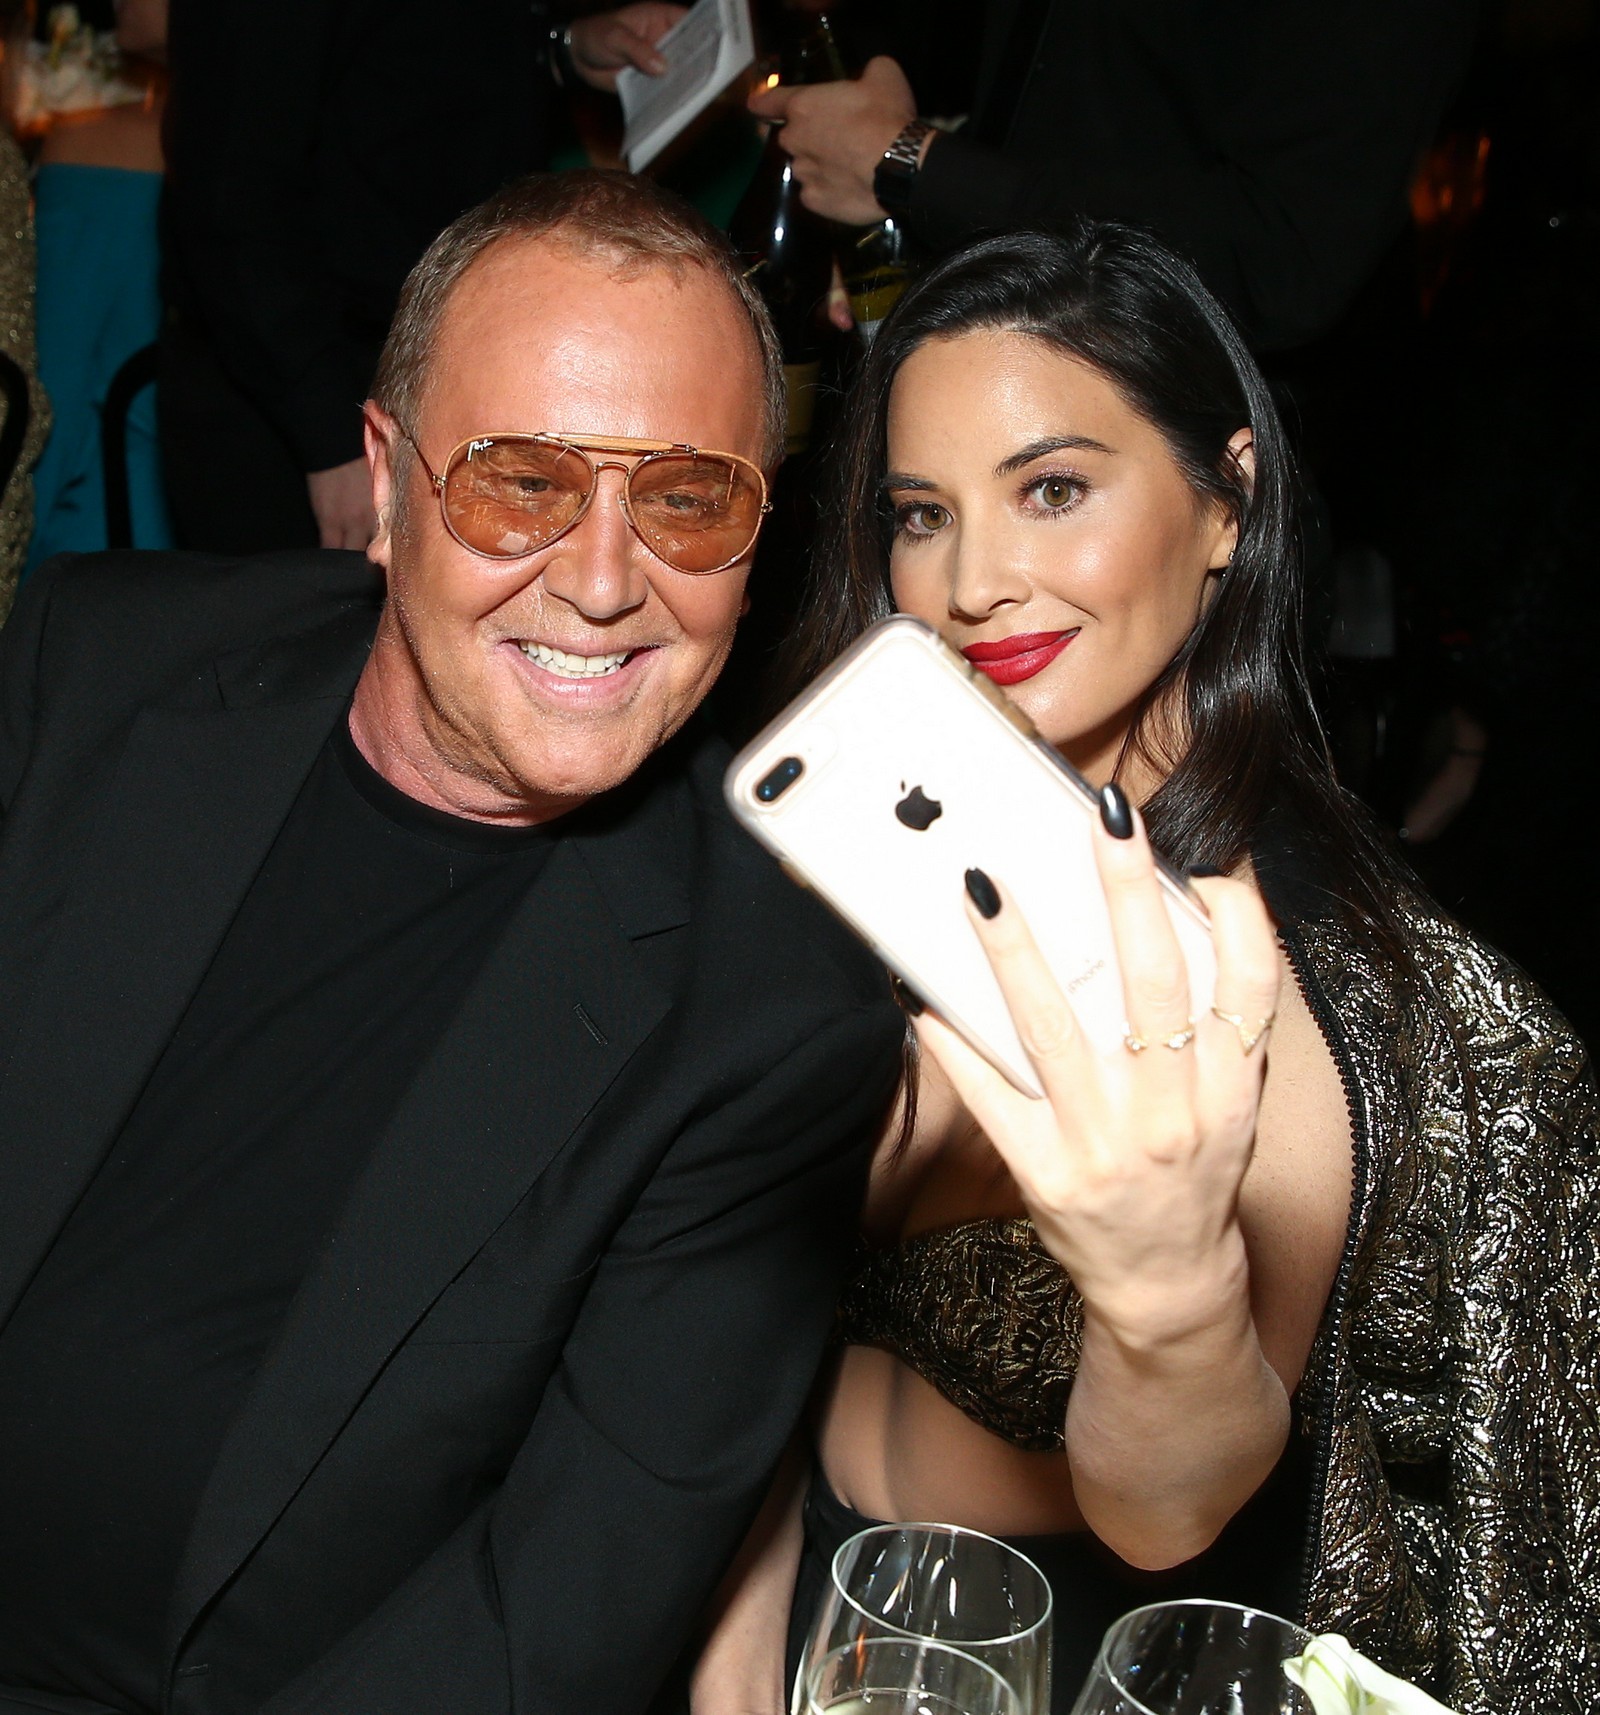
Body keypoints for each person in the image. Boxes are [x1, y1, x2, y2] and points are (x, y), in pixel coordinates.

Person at [0, 170, 902, 1715]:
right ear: (384, 482)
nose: (605, 582)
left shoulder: (769, 1009)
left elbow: (543, 1626)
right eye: (521, 483)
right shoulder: (101, 663)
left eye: (688, 500)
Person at [692, 225, 1600, 1715]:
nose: (972, 581)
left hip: (1050, 1670)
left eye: (1053, 490)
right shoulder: (893, 841)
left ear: (1226, 499)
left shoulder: (1275, 975)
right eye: (922, 514)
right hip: (811, 1613)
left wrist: (1167, 1291)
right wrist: (734, 1618)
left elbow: (1174, 1502)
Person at [160, 0, 684, 556]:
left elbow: (419, 59)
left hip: (443, 364)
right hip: (306, 398)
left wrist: (559, 47)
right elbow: (229, 202)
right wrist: (330, 442)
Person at [748, 1, 1481, 352]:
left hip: (1187, 471)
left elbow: (1284, 259)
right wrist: (874, 166)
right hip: (984, 389)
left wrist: (910, 166)